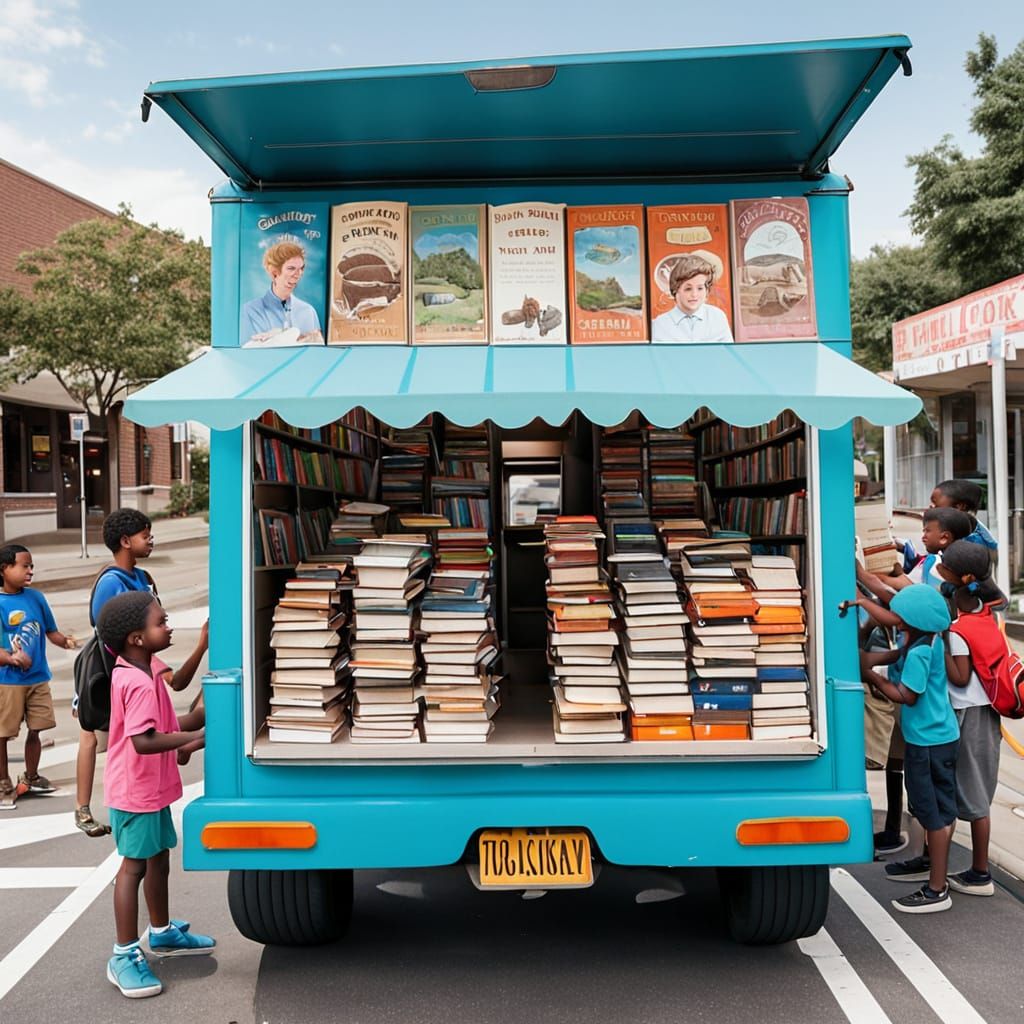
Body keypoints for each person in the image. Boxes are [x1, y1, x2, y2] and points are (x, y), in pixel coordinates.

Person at [98, 590, 213, 999]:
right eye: (160, 622)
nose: (169, 626)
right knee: (133, 868)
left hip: (151, 788)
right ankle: (123, 955)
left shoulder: (147, 670)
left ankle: (161, 932)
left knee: (158, 858)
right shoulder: (137, 682)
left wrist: (199, 721)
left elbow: (168, 721)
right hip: (135, 791)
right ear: (136, 638)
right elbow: (145, 741)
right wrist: (195, 735)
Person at [858, 584, 959, 914]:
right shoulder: (927, 640)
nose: (894, 619)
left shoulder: (918, 652)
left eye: (900, 616)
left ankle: (936, 888)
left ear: (912, 620)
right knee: (941, 810)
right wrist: (862, 604)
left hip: (925, 744)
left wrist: (873, 679)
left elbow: (906, 695)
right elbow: (887, 653)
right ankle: (935, 876)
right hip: (943, 737)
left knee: (932, 814)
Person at [75, 508, 156, 836]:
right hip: (109, 672)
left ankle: (128, 801)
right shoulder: (111, 582)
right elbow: (106, 631)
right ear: (125, 541)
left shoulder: (141, 577)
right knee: (91, 733)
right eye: (145, 535)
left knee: (120, 739)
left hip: (133, 670)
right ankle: (83, 808)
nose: (151, 540)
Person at [938, 540, 1005, 896]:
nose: (938, 567)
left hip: (971, 712)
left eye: (943, 565)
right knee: (976, 790)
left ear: (962, 578)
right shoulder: (982, 607)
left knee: (976, 795)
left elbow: (961, 677)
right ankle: (973, 869)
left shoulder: (959, 627)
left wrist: (939, 642)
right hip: (983, 711)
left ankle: (980, 873)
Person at [0, 544, 77, 805]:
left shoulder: (36, 598)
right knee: (3, 733)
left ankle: (31, 776)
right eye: (24, 566)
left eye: (31, 565)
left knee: (37, 729)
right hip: (7, 681)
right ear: (4, 569)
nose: (30, 570)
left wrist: (65, 641)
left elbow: (50, 631)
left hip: (37, 677)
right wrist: (10, 658)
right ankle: (3, 783)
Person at [242, 241, 323, 344]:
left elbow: (317, 350)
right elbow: (249, 350)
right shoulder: (251, 311)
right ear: (274, 272)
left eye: (301, 269)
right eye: (291, 268)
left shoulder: (308, 311)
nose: (298, 275)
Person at [651, 254, 734, 343]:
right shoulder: (660, 324)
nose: (694, 294)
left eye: (700, 288)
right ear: (675, 289)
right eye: (688, 289)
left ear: (707, 290)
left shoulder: (718, 317)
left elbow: (727, 354)